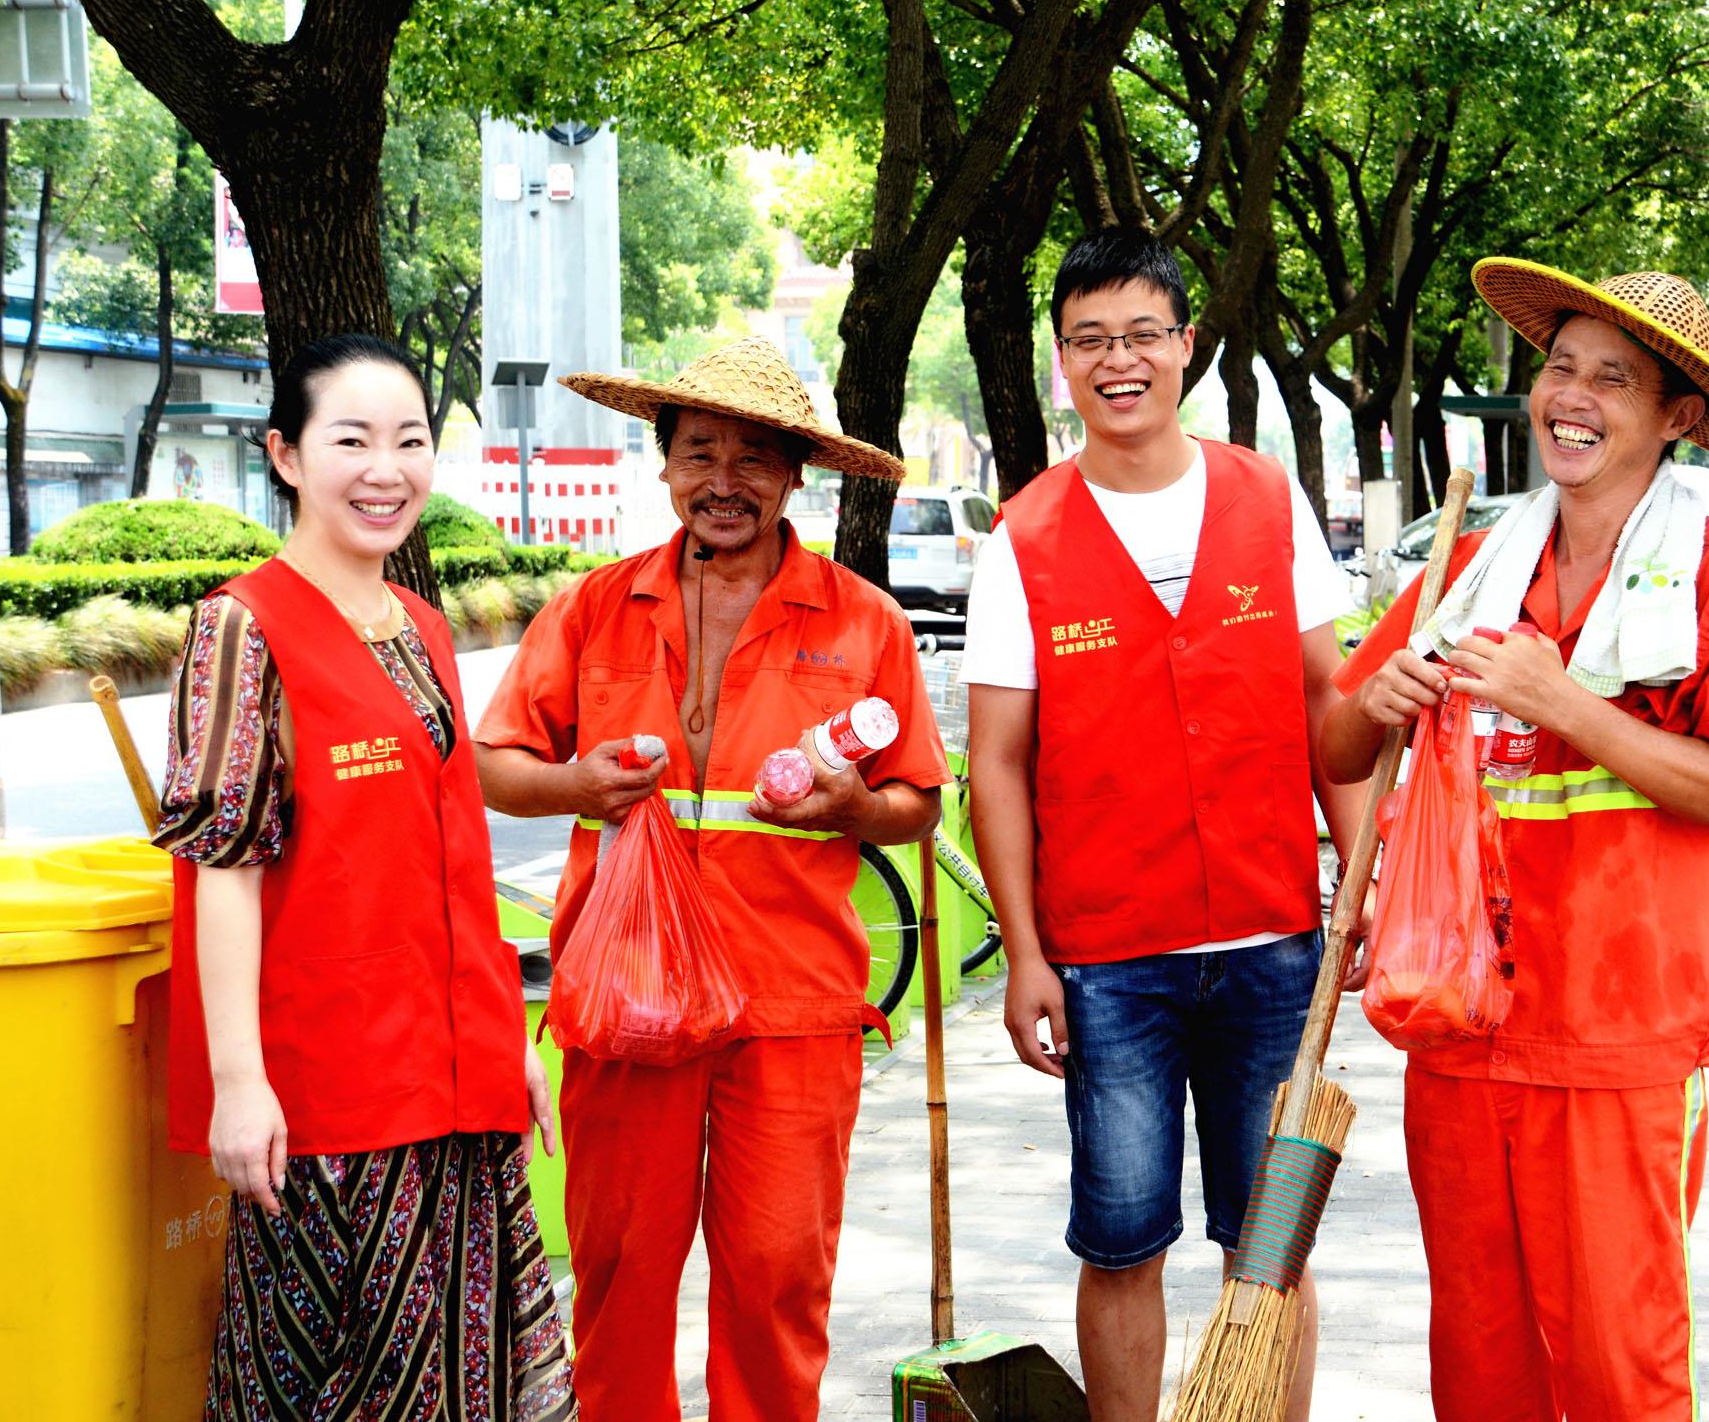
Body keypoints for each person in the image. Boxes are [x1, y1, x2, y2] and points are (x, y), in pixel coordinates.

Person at [1322, 260, 1709, 1421]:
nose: (1570, 397)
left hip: (1620, 1047)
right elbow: (1334, 746)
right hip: (1461, 1032)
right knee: (1479, 1373)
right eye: (1560, 368)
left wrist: (1565, 702)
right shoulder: (1470, 568)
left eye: (1613, 379)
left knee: (1620, 1372)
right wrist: (1375, 697)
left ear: (1678, 417)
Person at [472, 337, 951, 1422]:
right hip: (627, 996)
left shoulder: (861, 621)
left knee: (778, 1278)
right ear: (665, 466)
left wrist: (854, 810)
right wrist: (580, 787)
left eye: (753, 459)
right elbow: (497, 765)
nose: (723, 482)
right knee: (621, 1274)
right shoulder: (594, 608)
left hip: (792, 1003)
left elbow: (918, 802)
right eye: (700, 454)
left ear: (795, 476)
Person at [963, 225, 1368, 1422]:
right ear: (1061, 362)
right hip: (1108, 963)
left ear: (1188, 344)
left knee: (1274, 1247)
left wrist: (1367, 875)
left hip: (1275, 945)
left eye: (1143, 333)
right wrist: (1027, 955)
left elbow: (1327, 703)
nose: (1119, 360)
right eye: (1090, 340)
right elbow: (994, 762)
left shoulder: (1265, 498)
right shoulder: (1024, 537)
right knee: (1121, 1238)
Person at [155, 334, 573, 1421]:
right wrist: (239, 1081)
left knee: (459, 1378)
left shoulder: (423, 628)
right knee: (327, 1381)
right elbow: (223, 871)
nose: (385, 469)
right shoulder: (240, 627)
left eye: (410, 441)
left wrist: (503, 1040)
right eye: (351, 440)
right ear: (287, 455)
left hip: (455, 1089)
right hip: (330, 1100)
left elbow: (451, 864)